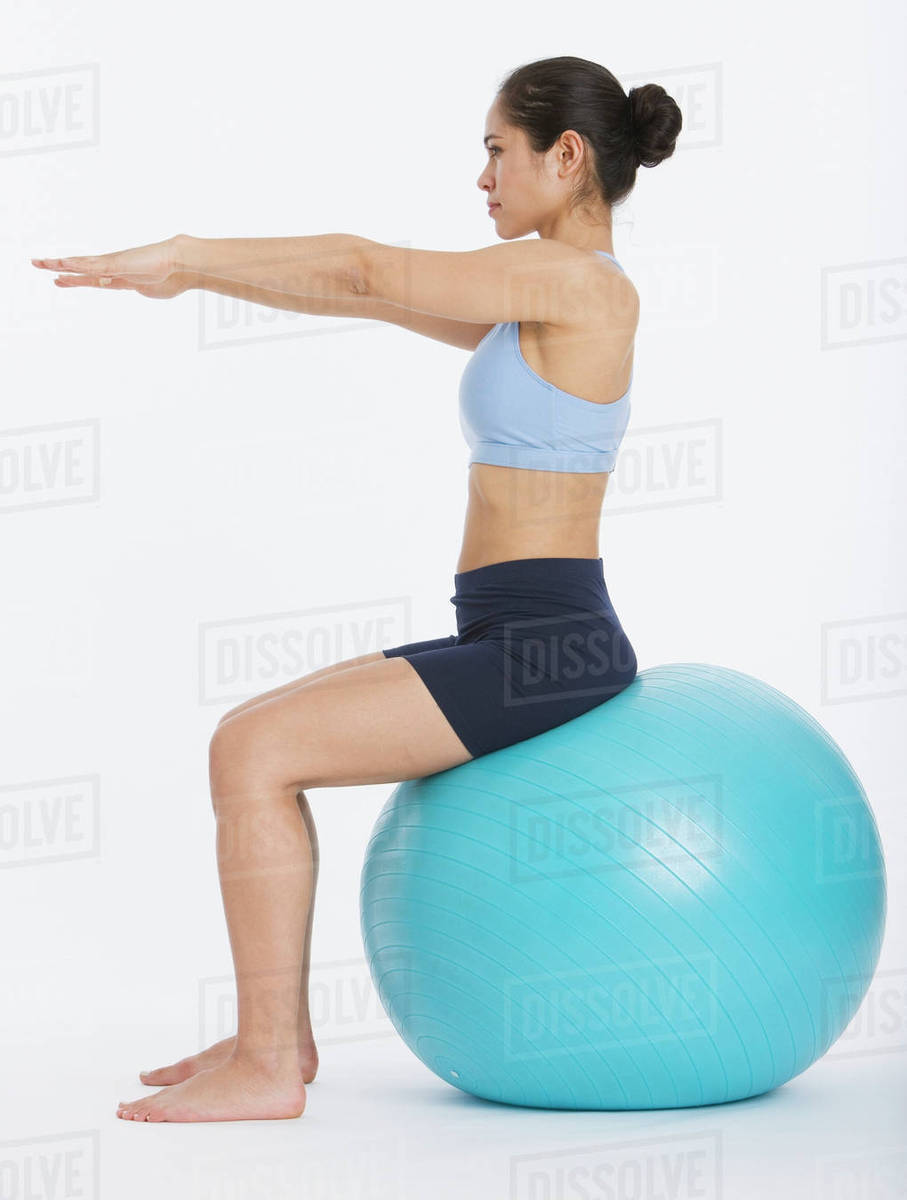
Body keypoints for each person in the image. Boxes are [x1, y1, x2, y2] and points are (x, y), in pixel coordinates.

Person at [31, 55, 682, 1123]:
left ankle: (270, 1065)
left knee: (252, 754)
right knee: (249, 732)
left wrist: (187, 255)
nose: (481, 176)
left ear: (566, 158)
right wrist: (187, 282)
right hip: (514, 627)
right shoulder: (534, 300)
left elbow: (365, 268)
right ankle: (266, 1041)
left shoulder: (577, 285)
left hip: (547, 641)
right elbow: (362, 298)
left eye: (495, 149)